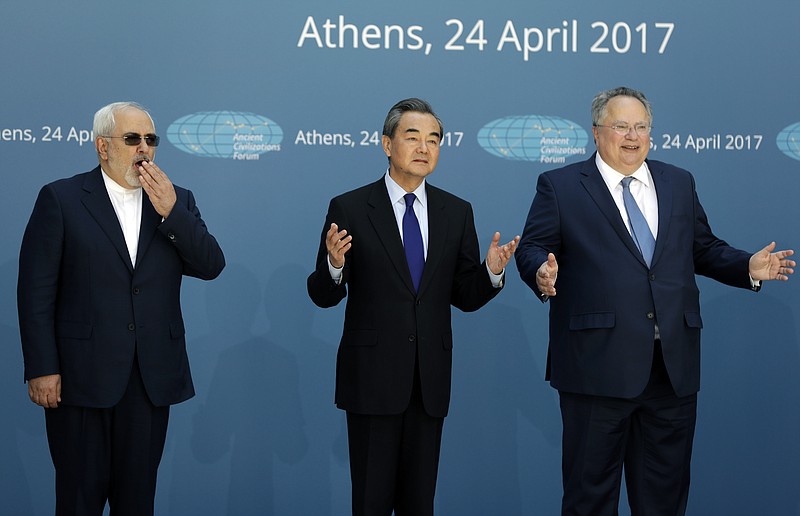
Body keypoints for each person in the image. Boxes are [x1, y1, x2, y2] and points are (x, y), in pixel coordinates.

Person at [515, 86, 795, 516]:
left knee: (664, 501)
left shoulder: (677, 181)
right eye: (621, 126)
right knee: (589, 501)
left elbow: (702, 248)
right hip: (596, 370)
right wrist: (541, 271)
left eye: (641, 127)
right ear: (596, 132)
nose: (632, 136)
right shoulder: (562, 185)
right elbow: (533, 246)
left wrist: (746, 267)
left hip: (671, 370)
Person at [307, 98, 519, 516]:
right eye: (413, 137)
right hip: (371, 381)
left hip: (429, 384)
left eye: (434, 139)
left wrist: (490, 273)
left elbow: (465, 295)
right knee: (370, 502)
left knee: (419, 504)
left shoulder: (456, 212)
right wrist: (334, 265)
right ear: (387, 144)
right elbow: (323, 294)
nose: (424, 147)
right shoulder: (350, 207)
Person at [18, 101, 225, 516]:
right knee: (78, 500)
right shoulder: (61, 198)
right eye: (132, 139)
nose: (144, 149)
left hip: (149, 381)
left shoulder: (176, 200)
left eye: (151, 140)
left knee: (137, 502)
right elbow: (36, 291)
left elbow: (211, 265)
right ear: (103, 146)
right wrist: (42, 367)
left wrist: (172, 213)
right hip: (80, 379)